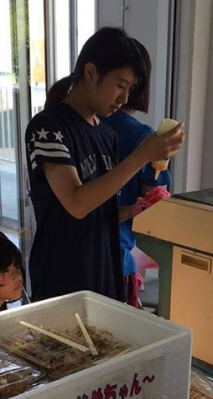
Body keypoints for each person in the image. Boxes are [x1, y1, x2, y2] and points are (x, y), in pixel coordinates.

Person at [25, 27, 183, 302]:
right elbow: (76, 203)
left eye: (130, 89)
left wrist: (129, 210)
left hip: (106, 274)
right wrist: (141, 155)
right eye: (120, 85)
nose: (124, 98)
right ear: (90, 73)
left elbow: (101, 212)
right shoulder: (48, 127)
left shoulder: (107, 134)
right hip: (61, 278)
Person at [103, 40, 172, 308]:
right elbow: (157, 201)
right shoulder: (144, 138)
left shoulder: (82, 126)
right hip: (116, 260)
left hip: (75, 259)